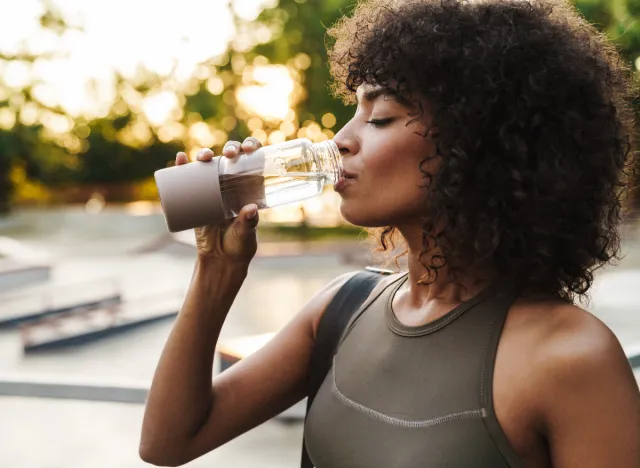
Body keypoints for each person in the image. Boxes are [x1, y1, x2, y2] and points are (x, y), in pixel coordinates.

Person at [139, 0, 640, 466]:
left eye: (380, 117)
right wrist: (217, 268)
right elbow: (168, 441)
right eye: (355, 111)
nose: (341, 139)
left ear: (478, 144)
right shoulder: (341, 310)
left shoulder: (573, 359)